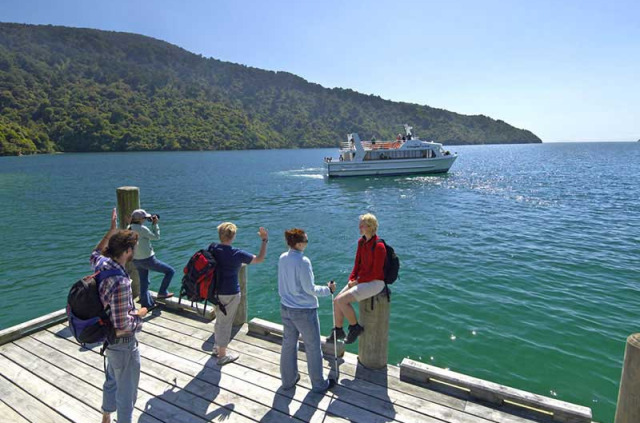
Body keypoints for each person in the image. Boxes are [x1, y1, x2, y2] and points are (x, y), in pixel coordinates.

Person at [92, 209, 147, 423]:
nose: (134, 251)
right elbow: (123, 323)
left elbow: (95, 252)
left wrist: (111, 231)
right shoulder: (122, 282)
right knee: (127, 394)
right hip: (123, 344)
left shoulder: (102, 265)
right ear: (126, 251)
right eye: (133, 248)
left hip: (108, 340)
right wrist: (140, 314)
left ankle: (106, 416)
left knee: (111, 381)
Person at [278, 228, 336, 392]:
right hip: (304, 311)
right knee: (313, 347)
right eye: (306, 241)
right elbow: (309, 289)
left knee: (288, 345)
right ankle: (319, 384)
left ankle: (288, 381)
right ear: (299, 243)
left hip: (286, 307)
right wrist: (328, 290)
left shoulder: (282, 258)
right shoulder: (303, 261)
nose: (307, 244)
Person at [209, 222, 268, 365]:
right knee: (225, 323)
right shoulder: (237, 253)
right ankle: (222, 355)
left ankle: (217, 347)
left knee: (220, 320)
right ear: (233, 235)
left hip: (214, 291)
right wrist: (264, 240)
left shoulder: (213, 248)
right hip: (230, 293)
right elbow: (259, 259)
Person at [327, 213, 386, 345]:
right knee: (336, 301)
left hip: (376, 282)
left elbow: (376, 273)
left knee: (342, 301)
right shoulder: (361, 242)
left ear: (370, 227)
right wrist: (351, 279)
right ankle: (338, 330)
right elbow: (357, 265)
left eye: (362, 224)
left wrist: (358, 281)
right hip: (361, 280)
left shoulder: (379, 246)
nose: (359, 227)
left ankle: (355, 327)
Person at [129, 209, 175, 309]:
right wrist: (155, 224)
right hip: (148, 259)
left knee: (144, 282)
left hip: (136, 260)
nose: (146, 219)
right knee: (170, 271)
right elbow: (156, 237)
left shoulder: (129, 227)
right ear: (141, 219)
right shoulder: (142, 229)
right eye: (145, 218)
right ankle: (162, 292)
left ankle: (147, 305)